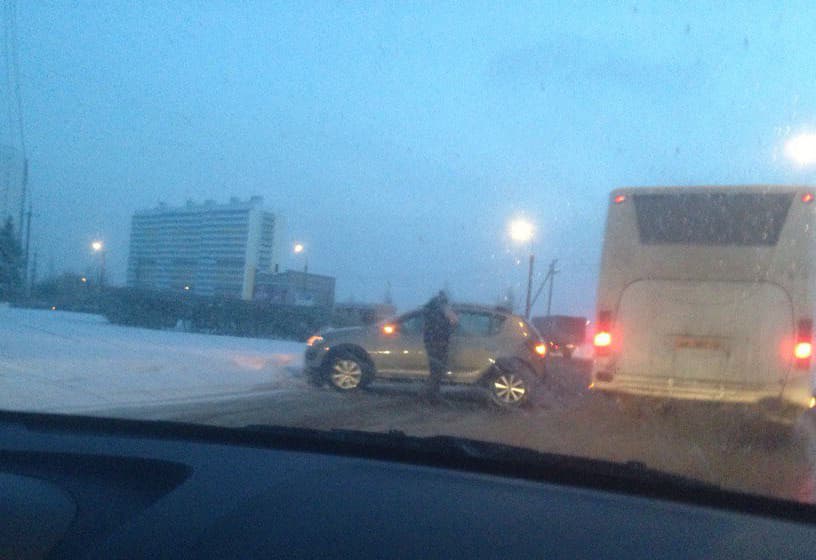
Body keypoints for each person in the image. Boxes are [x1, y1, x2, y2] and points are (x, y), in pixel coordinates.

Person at [421, 290, 458, 402]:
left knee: (436, 370)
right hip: (438, 343)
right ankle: (429, 395)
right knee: (437, 371)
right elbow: (453, 323)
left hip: (433, 342)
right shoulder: (439, 313)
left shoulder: (430, 312)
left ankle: (430, 394)